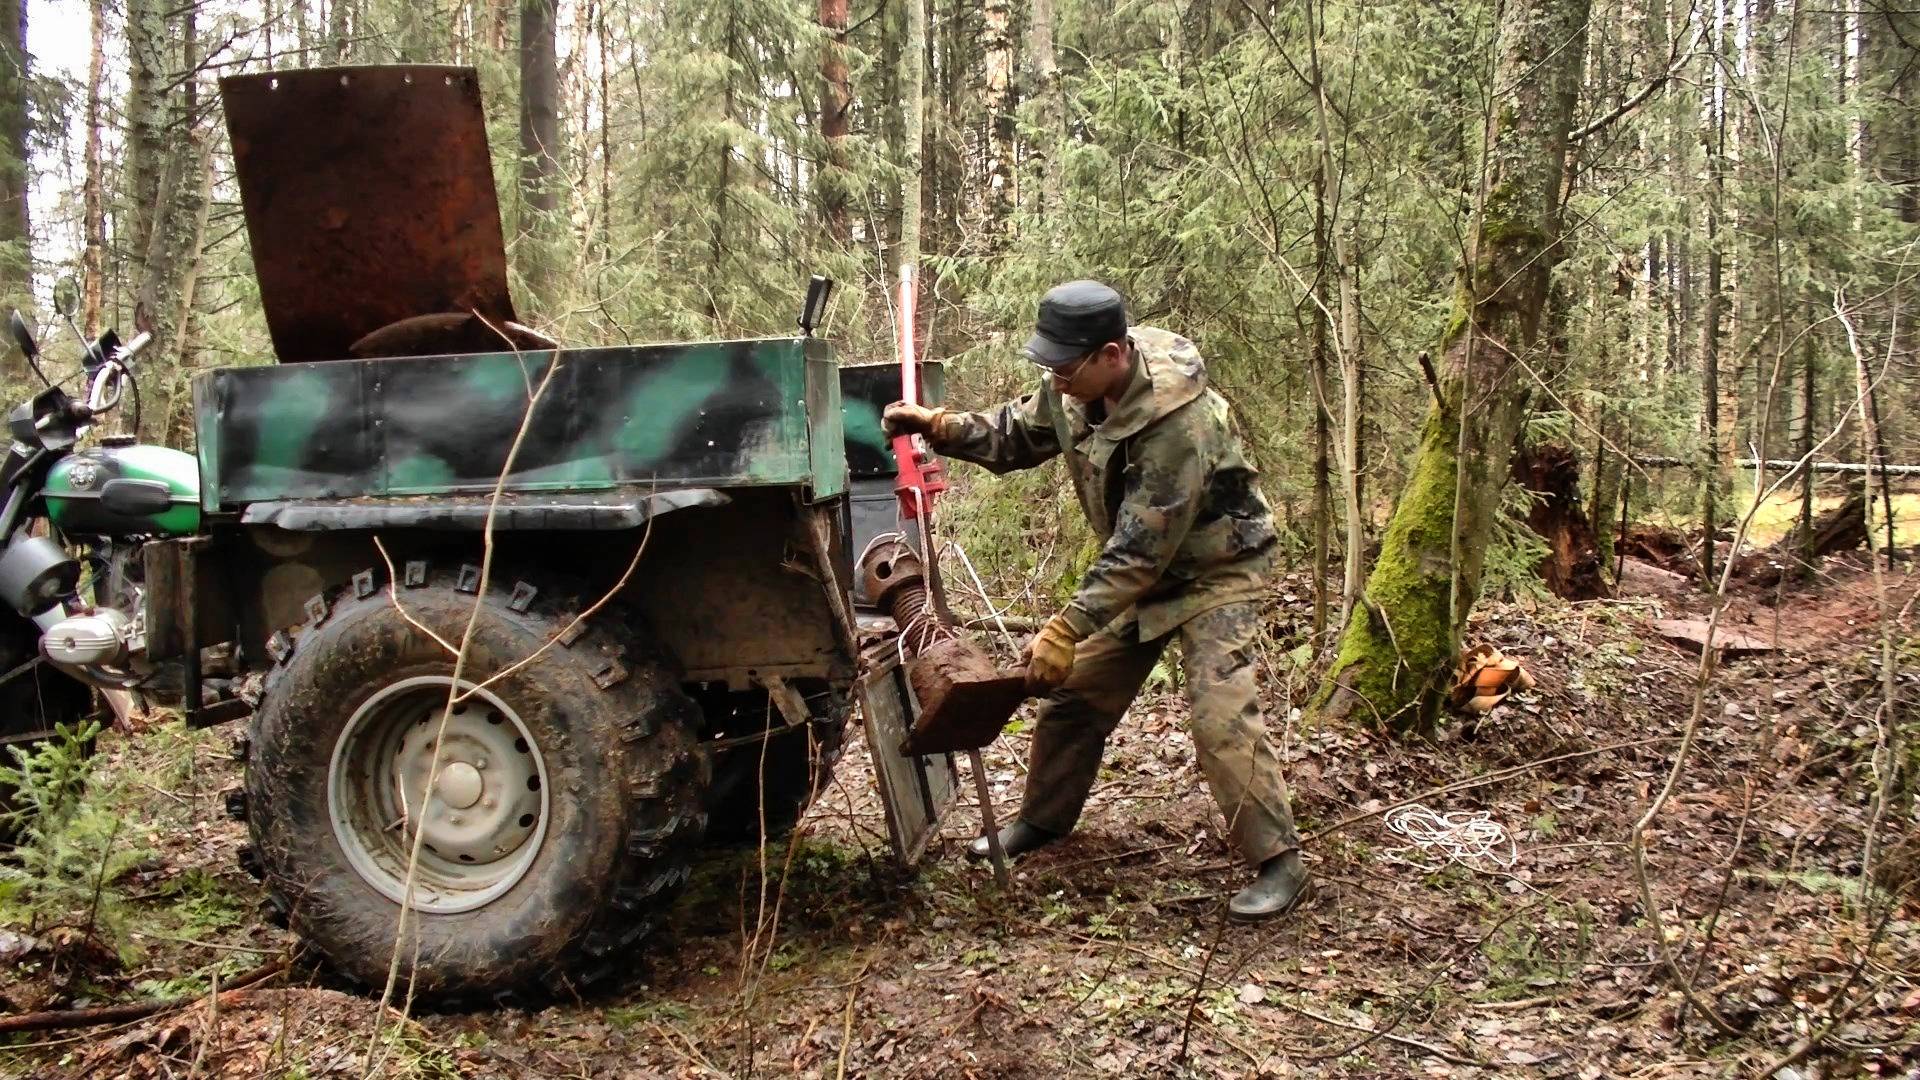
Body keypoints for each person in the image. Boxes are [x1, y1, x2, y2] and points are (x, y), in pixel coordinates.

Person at [882, 280, 1310, 921]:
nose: (1053, 380)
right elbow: (1017, 433)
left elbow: (1138, 552)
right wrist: (941, 428)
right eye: (1048, 367)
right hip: (1144, 576)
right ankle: (1044, 823)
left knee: (1220, 716)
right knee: (1076, 695)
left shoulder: (1179, 426)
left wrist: (1065, 627)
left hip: (1217, 573)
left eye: (1063, 368)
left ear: (1111, 354)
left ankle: (1280, 861)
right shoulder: (1078, 389)